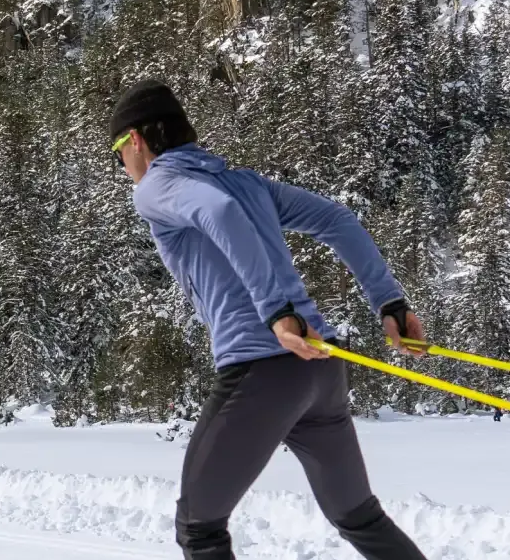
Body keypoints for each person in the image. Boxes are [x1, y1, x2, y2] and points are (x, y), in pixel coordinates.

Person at [110, 80, 427, 560]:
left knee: (199, 528)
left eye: (117, 153)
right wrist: (390, 304)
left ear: (135, 139)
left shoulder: (156, 186)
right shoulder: (247, 183)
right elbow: (337, 220)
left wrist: (276, 312)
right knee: (358, 516)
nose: (123, 168)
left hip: (261, 372)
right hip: (319, 370)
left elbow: (219, 212)